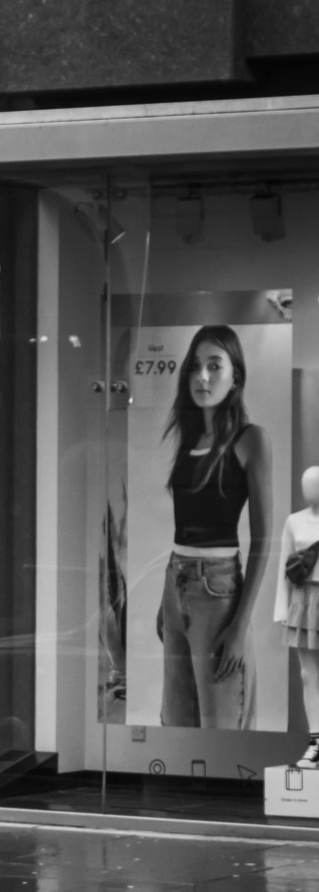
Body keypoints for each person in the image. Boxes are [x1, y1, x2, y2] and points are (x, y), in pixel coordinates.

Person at [157, 325, 272, 729]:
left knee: (223, 725)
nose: (202, 377)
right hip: (176, 582)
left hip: (218, 590)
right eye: (196, 366)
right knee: (176, 721)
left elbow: (263, 540)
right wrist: (166, 600)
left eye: (214, 366)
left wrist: (240, 625)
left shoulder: (249, 440)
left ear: (235, 375)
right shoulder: (189, 438)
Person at [274, 463, 319, 767]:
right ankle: (316, 740)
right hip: (303, 601)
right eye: (307, 484)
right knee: (307, 673)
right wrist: (281, 607)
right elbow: (283, 567)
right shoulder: (294, 521)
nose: (308, 490)